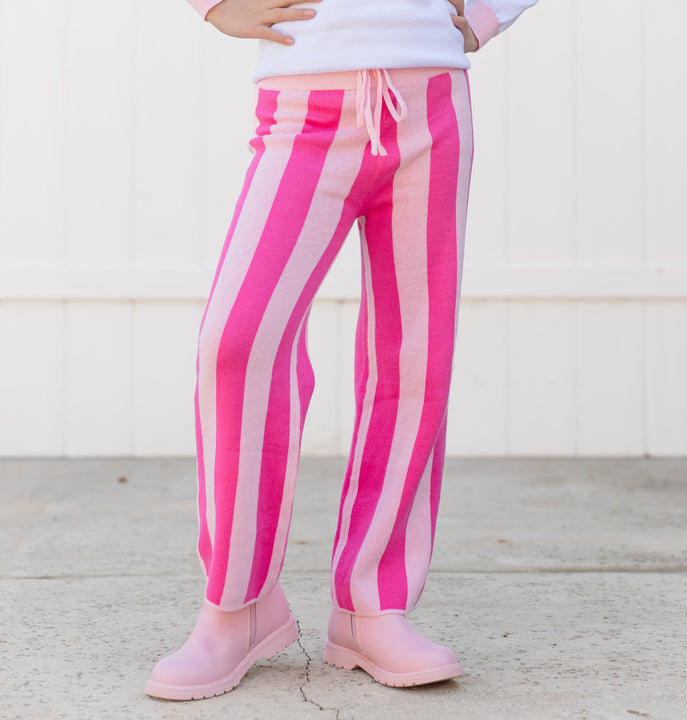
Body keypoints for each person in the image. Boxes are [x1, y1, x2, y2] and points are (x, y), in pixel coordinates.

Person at [146, 0, 538, 701]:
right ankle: (236, 607)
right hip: (304, 102)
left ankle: (371, 608)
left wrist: (487, 10)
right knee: (237, 343)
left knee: (413, 359)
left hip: (433, 101)